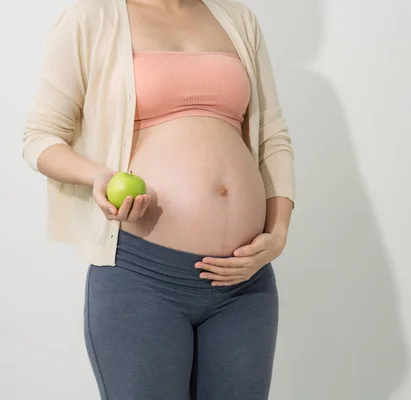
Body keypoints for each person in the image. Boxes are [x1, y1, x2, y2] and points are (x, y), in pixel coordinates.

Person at [22, 0, 295, 398]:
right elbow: (40, 137)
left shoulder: (236, 18)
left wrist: (279, 234)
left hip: (245, 283)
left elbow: (273, 135)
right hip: (143, 278)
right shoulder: (91, 17)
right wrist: (98, 175)